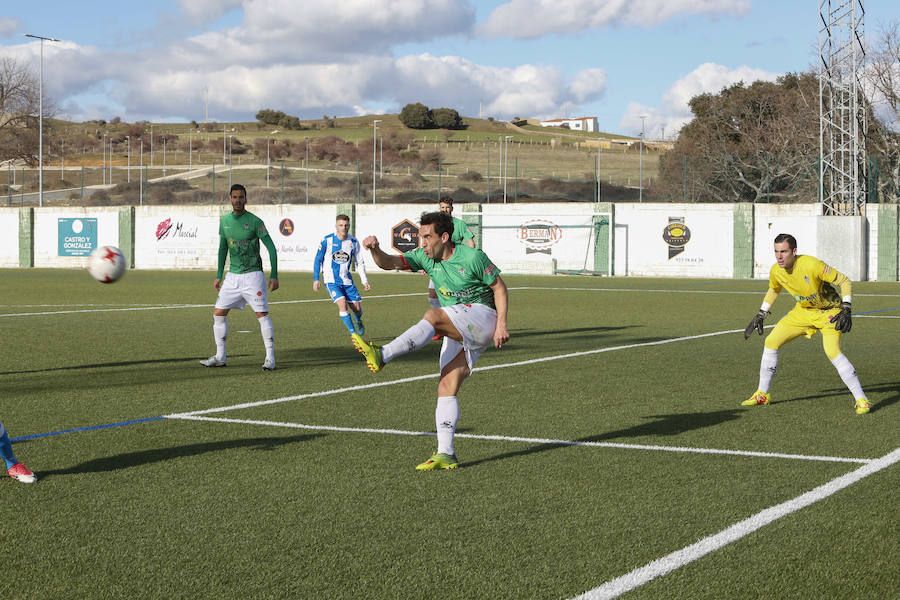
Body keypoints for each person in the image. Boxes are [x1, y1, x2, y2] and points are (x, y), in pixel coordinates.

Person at [353, 211, 509, 471]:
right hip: (460, 323)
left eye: (427, 237)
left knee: (433, 316)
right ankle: (446, 454)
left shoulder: (472, 257)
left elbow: (499, 288)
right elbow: (388, 263)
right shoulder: (424, 257)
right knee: (446, 386)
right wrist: (375, 250)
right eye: (420, 237)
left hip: (483, 317)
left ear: (444, 237)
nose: (422, 243)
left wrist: (502, 324)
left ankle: (382, 355)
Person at [743, 233, 870, 414]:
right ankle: (762, 394)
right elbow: (774, 289)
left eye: (784, 251)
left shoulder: (812, 265)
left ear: (794, 251)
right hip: (802, 312)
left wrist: (847, 307)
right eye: (776, 252)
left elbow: (844, 280)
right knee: (771, 342)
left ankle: (862, 400)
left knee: (832, 351)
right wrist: (761, 312)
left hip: (830, 313)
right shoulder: (776, 270)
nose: (779, 256)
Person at [200, 184, 279, 371]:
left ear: (246, 199)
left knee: (262, 315)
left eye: (241, 197)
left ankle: (270, 358)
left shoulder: (255, 221)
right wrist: (219, 275)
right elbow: (222, 249)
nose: (237, 200)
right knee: (218, 313)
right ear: (230, 199)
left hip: (253, 276)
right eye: (234, 197)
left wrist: (274, 274)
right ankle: (220, 356)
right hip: (232, 277)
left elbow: (271, 248)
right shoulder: (224, 221)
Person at [426, 197, 476, 340]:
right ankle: (441, 327)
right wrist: (426, 263)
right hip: (437, 265)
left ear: (452, 208)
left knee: (456, 298)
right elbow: (429, 244)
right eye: (442, 207)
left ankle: (463, 325)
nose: (445, 210)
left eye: (447, 207)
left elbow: (471, 243)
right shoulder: (435, 226)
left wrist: (467, 260)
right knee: (433, 295)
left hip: (455, 267)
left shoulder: (459, 224)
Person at [313, 214, 370, 336]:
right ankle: (353, 334)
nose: (344, 227)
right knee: (342, 304)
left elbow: (360, 262)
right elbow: (318, 259)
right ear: (336, 226)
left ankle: (358, 320)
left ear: (349, 226)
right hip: (331, 280)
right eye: (341, 225)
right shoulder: (326, 240)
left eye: (346, 225)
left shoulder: (353, 242)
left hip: (346, 280)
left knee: (357, 309)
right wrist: (316, 279)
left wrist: (364, 280)